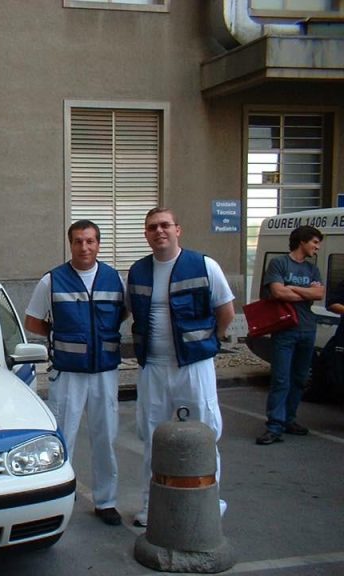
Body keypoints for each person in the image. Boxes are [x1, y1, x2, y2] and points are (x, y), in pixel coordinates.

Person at [126, 208, 235, 527]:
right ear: (146, 234)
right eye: (152, 227)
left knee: (204, 434)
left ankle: (210, 503)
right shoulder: (138, 271)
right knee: (152, 437)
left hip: (194, 366)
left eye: (165, 225)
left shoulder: (204, 265)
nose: (159, 231)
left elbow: (226, 312)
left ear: (178, 230)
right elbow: (132, 312)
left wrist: (209, 343)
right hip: (153, 367)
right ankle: (151, 506)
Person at [24, 220, 127, 526]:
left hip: (104, 371)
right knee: (64, 437)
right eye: (78, 241)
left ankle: (106, 501)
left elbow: (122, 313)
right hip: (68, 373)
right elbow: (32, 321)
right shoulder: (52, 280)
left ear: (99, 244)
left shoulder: (114, 279)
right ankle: (60, 497)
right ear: (70, 244)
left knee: (105, 438)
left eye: (90, 241)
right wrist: (60, 337)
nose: (85, 247)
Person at [256, 225, 325, 445]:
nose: (317, 247)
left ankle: (289, 420)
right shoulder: (279, 263)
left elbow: (319, 293)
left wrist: (292, 289)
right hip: (285, 331)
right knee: (281, 379)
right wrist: (305, 293)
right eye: (315, 242)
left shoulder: (312, 269)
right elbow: (277, 291)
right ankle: (274, 426)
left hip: (307, 329)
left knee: (299, 378)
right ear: (303, 241)